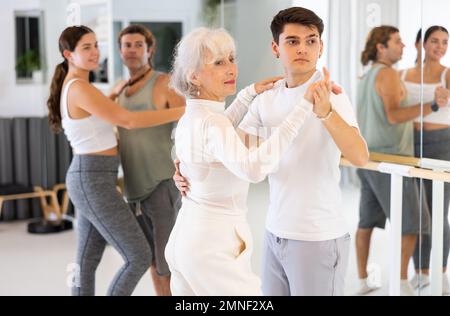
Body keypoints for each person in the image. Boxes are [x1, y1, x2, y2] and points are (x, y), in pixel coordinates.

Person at [174, 7, 369, 296]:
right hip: (275, 232)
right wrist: (189, 166)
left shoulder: (332, 96)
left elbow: (360, 156)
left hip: (317, 233)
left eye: (311, 41)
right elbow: (233, 149)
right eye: (292, 41)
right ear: (276, 47)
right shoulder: (267, 99)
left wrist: (325, 112)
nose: (302, 48)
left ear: (321, 47)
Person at [46, 26, 184, 296]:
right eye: (86, 47)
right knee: (139, 256)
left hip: (93, 177)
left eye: (96, 45)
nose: (95, 52)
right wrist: (185, 109)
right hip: (92, 179)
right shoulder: (79, 88)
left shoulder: (83, 87)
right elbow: (128, 120)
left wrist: (113, 94)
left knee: (86, 260)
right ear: (68, 54)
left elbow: (99, 116)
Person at [355, 25, 447, 295]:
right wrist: (431, 105)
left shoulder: (367, 76)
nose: (403, 46)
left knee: (366, 222)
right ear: (381, 47)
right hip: (394, 158)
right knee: (414, 222)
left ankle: (362, 280)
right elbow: (394, 116)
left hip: (368, 157)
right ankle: (403, 284)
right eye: (398, 42)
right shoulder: (390, 75)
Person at [110, 24, 185, 296]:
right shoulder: (119, 90)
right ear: (120, 51)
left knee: (168, 264)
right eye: (127, 45)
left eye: (138, 45)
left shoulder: (162, 82)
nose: (132, 50)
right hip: (133, 189)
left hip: (161, 184)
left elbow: (189, 117)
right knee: (152, 261)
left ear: (149, 50)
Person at [401, 26, 450, 293]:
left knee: (438, 214)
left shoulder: (447, 74)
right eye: (434, 41)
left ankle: (441, 273)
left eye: (445, 42)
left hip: (442, 145)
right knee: (418, 214)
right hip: (410, 146)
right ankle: (421, 273)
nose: (440, 47)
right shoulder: (403, 75)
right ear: (420, 43)